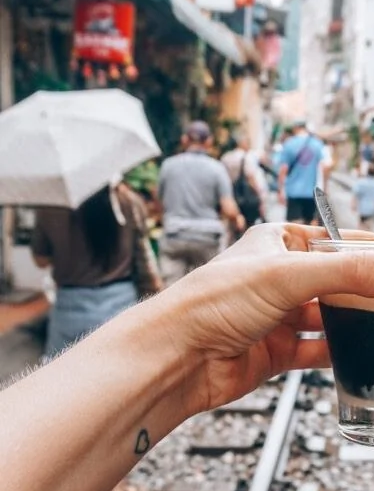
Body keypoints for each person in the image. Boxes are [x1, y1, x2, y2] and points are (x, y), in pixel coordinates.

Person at [0, 224, 374, 491]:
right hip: (117, 298)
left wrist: (186, 337)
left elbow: (42, 259)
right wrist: (180, 323)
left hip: (73, 305)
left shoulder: (57, 209)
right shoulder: (124, 203)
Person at [30, 181, 162, 355]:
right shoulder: (128, 202)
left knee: (63, 375)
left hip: (69, 308)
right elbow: (143, 258)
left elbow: (41, 261)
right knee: (120, 374)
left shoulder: (50, 207)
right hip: (121, 305)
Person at [158, 121, 245, 286]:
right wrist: (237, 218)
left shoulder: (168, 166)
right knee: (207, 289)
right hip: (207, 238)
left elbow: (159, 202)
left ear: (184, 140)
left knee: (170, 292)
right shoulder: (216, 168)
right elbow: (228, 208)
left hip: (174, 235)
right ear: (209, 142)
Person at [276, 121, 325, 224]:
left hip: (293, 192)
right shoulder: (317, 144)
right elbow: (323, 168)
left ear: (295, 128)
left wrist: (280, 190)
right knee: (309, 225)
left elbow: (283, 169)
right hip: (311, 193)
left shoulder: (289, 144)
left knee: (295, 225)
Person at [221, 131, 267, 231]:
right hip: (247, 196)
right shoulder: (247, 157)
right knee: (249, 225)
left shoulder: (226, 157)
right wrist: (259, 195)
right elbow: (251, 178)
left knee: (233, 223)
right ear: (242, 143)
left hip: (231, 194)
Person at [352, 162, 374, 231]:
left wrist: (354, 205)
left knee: (361, 225)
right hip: (373, 208)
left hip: (363, 208)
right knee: (369, 226)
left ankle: (361, 238)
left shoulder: (361, 182)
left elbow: (355, 194)